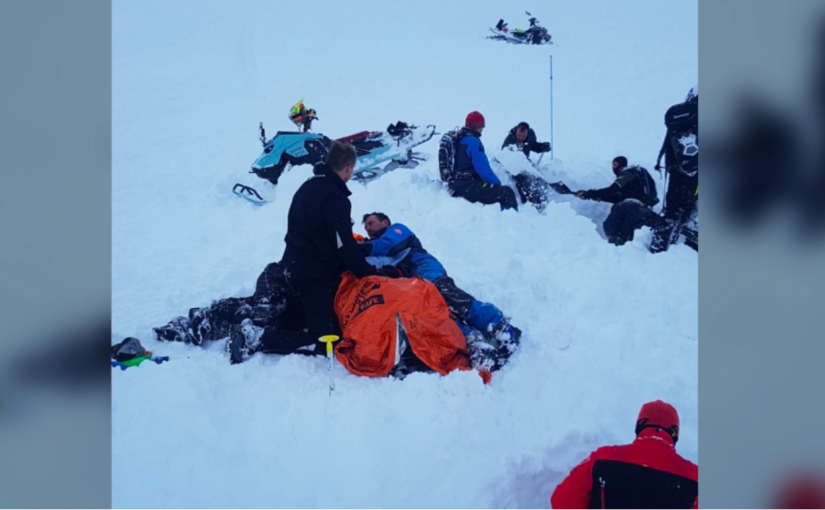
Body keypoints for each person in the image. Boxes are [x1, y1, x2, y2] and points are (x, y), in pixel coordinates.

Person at [228, 141, 398, 363]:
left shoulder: (307, 187)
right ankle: (254, 339)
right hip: (315, 276)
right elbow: (344, 248)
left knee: (294, 319)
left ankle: (223, 318)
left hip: (292, 267)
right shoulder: (335, 197)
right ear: (348, 168)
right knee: (327, 339)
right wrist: (372, 274)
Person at [360, 212, 521, 370]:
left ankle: (499, 326)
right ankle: (474, 342)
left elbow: (388, 244)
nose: (368, 228)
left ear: (385, 222)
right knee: (437, 312)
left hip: (423, 266)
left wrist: (358, 248)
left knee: (448, 296)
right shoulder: (378, 249)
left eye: (371, 223)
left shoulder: (396, 230)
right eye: (366, 226)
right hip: (412, 282)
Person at [550, 400, 698, 509]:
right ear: (675, 434)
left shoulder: (601, 459)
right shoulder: (695, 478)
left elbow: (562, 502)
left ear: (639, 426)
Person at [552, 156, 663, 246]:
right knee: (628, 234)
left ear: (621, 164)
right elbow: (615, 198)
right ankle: (624, 255)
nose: (613, 168)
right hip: (643, 210)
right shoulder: (635, 182)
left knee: (611, 227)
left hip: (629, 207)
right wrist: (590, 195)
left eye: (615, 164)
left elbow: (612, 190)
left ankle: (616, 252)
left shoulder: (627, 174)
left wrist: (590, 193)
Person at [650, 86, 698, 253]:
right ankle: (688, 247)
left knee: (672, 210)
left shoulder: (677, 122)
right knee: (690, 207)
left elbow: (667, 147)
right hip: (697, 175)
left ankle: (658, 248)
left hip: (677, 172)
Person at [446, 111, 519, 211]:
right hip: (468, 186)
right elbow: (483, 169)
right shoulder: (473, 142)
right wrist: (497, 184)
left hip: (456, 184)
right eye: (481, 126)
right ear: (475, 126)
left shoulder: (460, 139)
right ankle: (511, 219)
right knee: (506, 193)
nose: (482, 129)